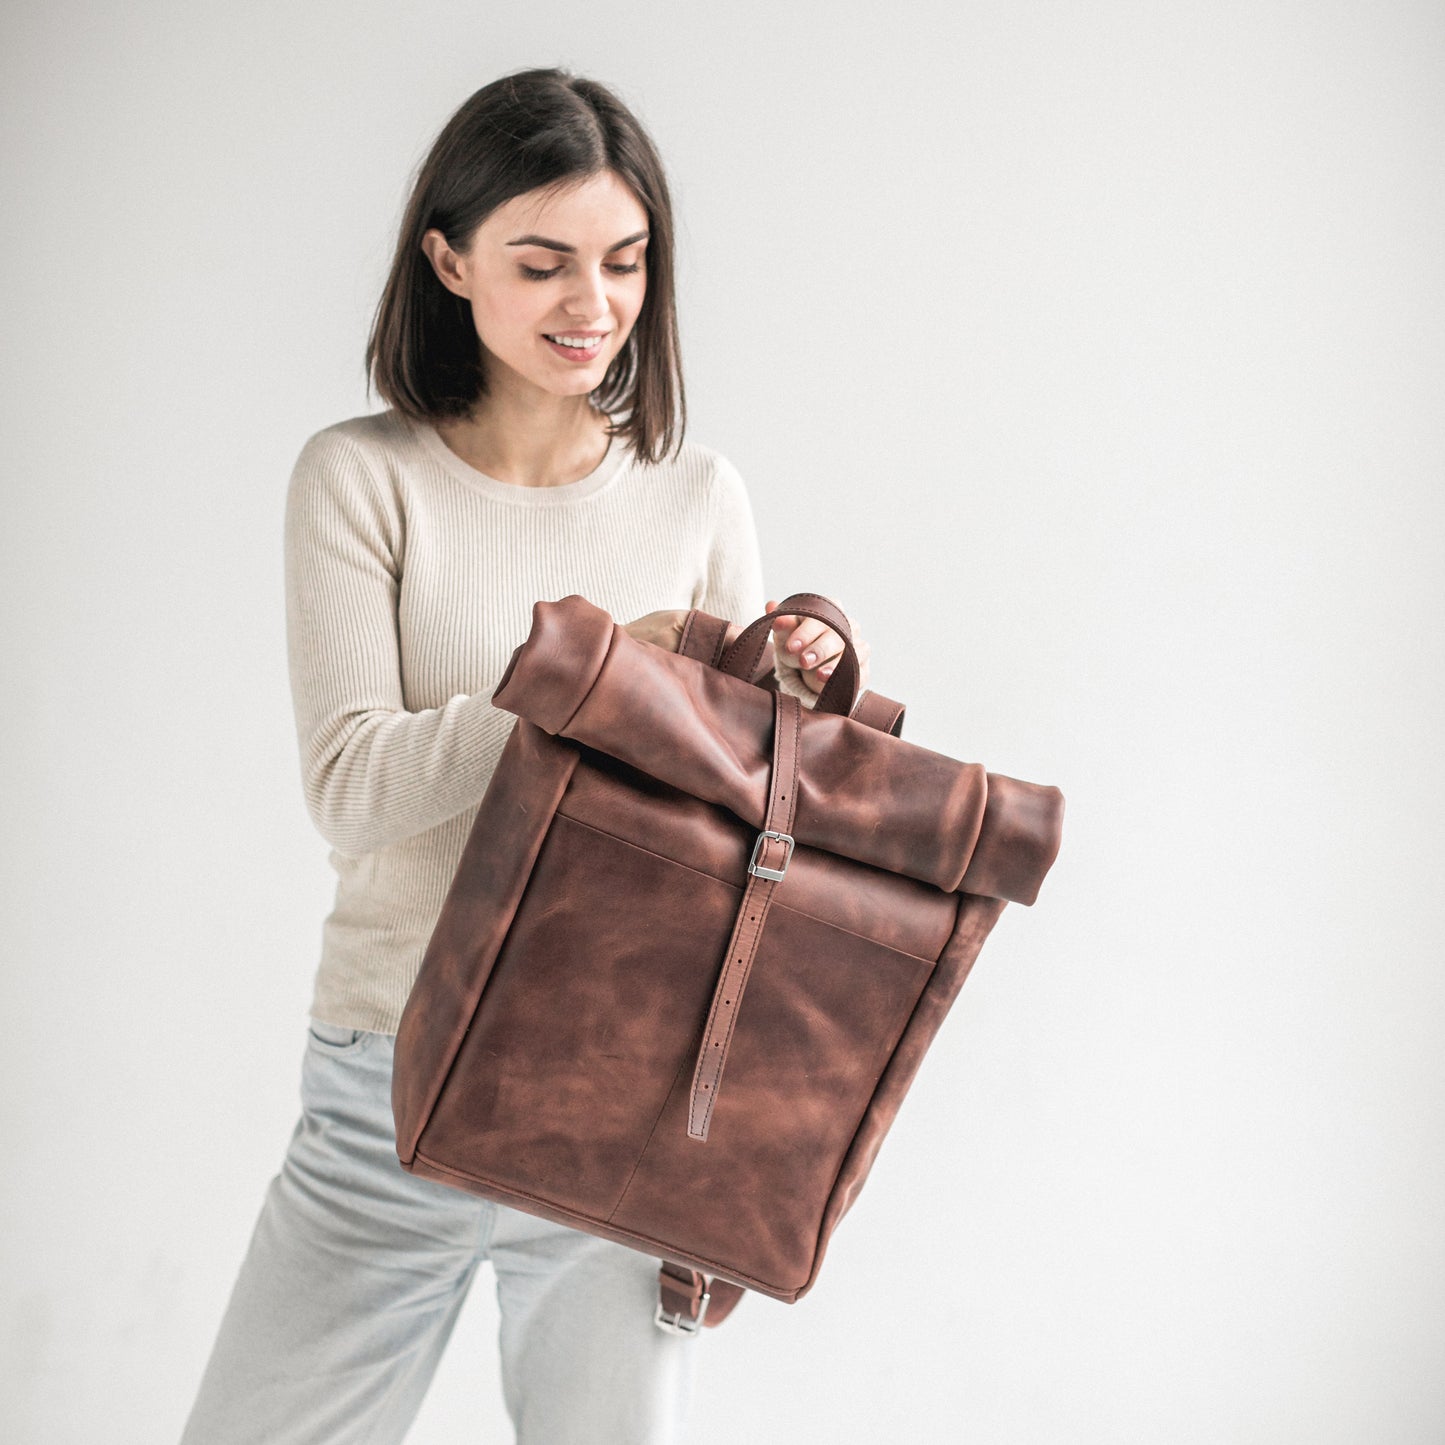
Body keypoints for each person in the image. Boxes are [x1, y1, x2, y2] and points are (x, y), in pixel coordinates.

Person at [179, 66, 869, 1445]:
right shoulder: (360, 478)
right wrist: (599, 673)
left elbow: (742, 843)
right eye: (541, 262)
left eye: (622, 262)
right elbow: (353, 788)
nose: (592, 305)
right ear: (447, 260)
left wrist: (783, 704)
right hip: (389, 1082)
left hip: (625, 1091)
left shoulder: (693, 494)